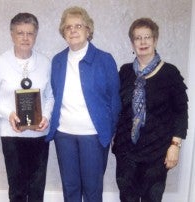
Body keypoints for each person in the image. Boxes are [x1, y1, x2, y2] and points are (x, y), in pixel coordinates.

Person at [46, 6, 121, 202]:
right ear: (63, 32)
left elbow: (115, 99)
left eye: (78, 25)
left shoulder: (104, 59)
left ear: (88, 30)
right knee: (70, 188)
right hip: (64, 135)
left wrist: (110, 131)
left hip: (93, 136)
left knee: (92, 190)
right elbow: (54, 95)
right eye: (68, 27)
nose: (73, 30)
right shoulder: (58, 61)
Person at [112, 18, 188, 202]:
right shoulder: (125, 72)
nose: (143, 42)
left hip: (157, 150)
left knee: (151, 198)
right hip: (126, 150)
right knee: (127, 197)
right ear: (132, 43)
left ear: (155, 40)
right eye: (138, 38)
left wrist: (175, 146)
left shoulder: (170, 73)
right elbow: (116, 107)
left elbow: (181, 112)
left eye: (147, 37)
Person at [0, 13, 54, 202]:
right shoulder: (0, 63)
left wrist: (45, 116)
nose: (25, 38)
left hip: (39, 134)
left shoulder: (45, 63)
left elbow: (50, 97)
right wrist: (9, 114)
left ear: (36, 35)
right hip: (11, 135)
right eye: (20, 33)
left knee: (37, 188)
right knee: (17, 189)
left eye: (30, 33)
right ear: (12, 35)